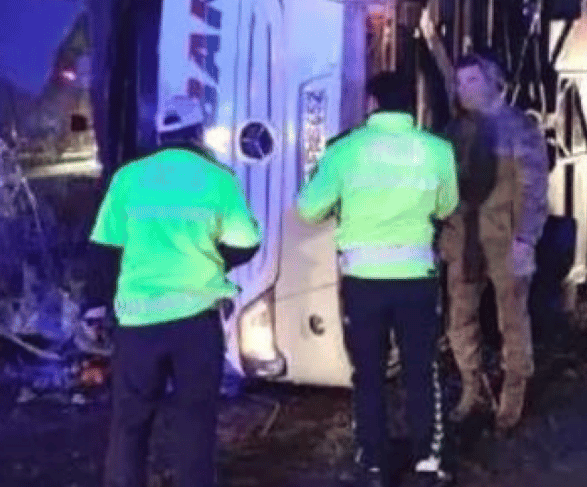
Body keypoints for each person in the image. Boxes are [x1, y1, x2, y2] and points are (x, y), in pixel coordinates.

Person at [296, 71, 460, 487]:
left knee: (368, 374)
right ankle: (427, 462)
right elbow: (446, 207)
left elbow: (309, 210)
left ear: (371, 104)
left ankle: (373, 463)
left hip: (363, 281)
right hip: (417, 277)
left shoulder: (344, 151)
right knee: (421, 370)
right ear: (411, 104)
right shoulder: (437, 150)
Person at [90, 95, 262, 487]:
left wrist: (96, 306)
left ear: (161, 135)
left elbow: (103, 249)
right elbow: (247, 243)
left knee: (129, 424)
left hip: (138, 322)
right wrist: (213, 262)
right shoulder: (217, 179)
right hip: (195, 322)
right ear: (198, 132)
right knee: (195, 422)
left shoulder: (128, 178)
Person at [438, 52, 549, 432]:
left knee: (512, 321)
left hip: (506, 241)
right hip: (465, 241)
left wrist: (526, 239)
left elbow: (534, 190)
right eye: (459, 82)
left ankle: (512, 395)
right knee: (459, 320)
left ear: (492, 81)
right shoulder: (455, 131)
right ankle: (475, 388)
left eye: (471, 80)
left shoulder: (520, 129)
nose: (463, 89)